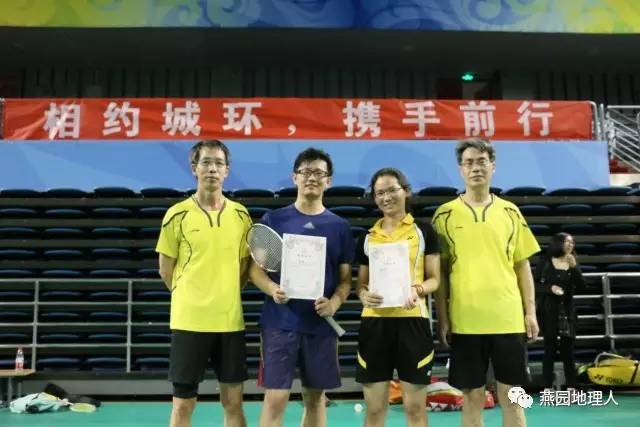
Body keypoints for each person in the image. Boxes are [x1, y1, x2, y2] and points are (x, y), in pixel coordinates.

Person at [432, 138, 540, 427]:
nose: (475, 168)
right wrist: (443, 318)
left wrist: (530, 311)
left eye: (482, 161)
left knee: (513, 398)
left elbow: (522, 266)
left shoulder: (510, 212)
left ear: (493, 166)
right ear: (460, 169)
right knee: (472, 399)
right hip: (466, 322)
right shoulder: (444, 214)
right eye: (469, 163)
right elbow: (440, 274)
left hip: (508, 320)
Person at [249, 147, 355, 427]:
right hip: (280, 323)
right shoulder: (274, 220)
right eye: (305, 172)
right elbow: (255, 271)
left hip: (320, 325)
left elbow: (345, 280)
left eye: (319, 173)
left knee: (316, 398)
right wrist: (272, 289)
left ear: (328, 181)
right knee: (276, 397)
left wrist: (334, 303)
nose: (312, 177)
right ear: (294, 177)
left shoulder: (340, 227)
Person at [156, 140, 252, 427]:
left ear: (227, 170)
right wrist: (192, 296)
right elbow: (165, 269)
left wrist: (223, 294)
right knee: (183, 405)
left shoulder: (241, 215)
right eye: (206, 162)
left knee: (233, 402)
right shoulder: (177, 214)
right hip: (189, 322)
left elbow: (244, 267)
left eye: (219, 163)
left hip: (229, 323)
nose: (212, 169)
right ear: (194, 168)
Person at [355, 167, 440, 427]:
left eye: (392, 190)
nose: (386, 197)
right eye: (380, 193)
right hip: (375, 324)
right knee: (374, 410)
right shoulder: (367, 237)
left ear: (406, 191)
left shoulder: (424, 231)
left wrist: (418, 290)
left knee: (414, 409)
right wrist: (363, 294)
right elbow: (361, 284)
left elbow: (434, 279)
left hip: (413, 323)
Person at [535, 232, 585, 389]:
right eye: (566, 242)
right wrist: (550, 288)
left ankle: (571, 387)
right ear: (557, 243)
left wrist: (574, 268)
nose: (570, 244)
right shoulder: (545, 262)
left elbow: (582, 286)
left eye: (572, 242)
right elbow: (535, 285)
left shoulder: (573, 262)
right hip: (549, 311)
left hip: (567, 312)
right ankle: (547, 387)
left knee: (568, 352)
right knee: (549, 350)